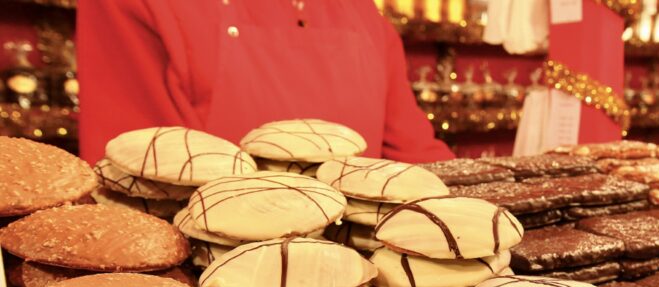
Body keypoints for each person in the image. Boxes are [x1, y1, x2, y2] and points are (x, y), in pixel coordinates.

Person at [76, 0, 454, 164]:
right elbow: (132, 180)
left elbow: (416, 158)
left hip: (360, 283)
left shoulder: (360, 11)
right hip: (205, 286)